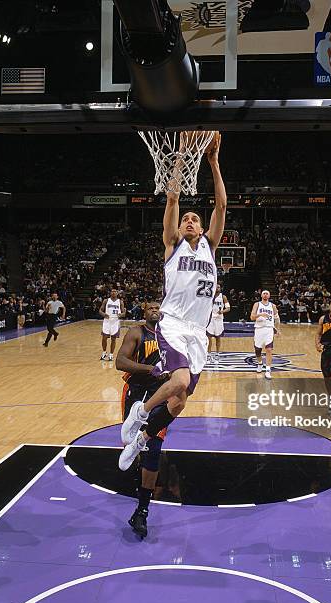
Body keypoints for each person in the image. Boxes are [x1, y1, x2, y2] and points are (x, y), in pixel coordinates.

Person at [119, 131, 226, 470]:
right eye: (186, 219)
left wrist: (213, 161)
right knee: (177, 382)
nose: (190, 221)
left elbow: (221, 205)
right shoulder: (173, 246)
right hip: (174, 323)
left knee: (179, 401)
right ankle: (141, 412)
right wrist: (180, 155)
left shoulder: (210, 246)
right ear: (179, 229)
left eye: (195, 219)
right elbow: (172, 198)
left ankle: (143, 437)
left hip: (198, 332)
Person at [116, 302, 171, 538]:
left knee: (153, 449)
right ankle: (137, 462)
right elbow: (120, 362)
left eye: (159, 307)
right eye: (151, 307)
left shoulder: (170, 335)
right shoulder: (137, 332)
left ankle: (142, 510)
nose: (155, 310)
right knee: (131, 444)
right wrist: (151, 370)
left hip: (159, 396)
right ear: (144, 312)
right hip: (135, 394)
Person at [251, 290, 279, 380]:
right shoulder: (257, 304)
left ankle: (268, 370)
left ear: (269, 295)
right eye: (264, 293)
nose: (265, 295)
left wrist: (277, 328)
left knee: (269, 349)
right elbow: (252, 317)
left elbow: (277, 318)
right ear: (261, 295)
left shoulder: (273, 306)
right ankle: (260, 363)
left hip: (269, 329)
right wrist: (260, 314)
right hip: (259, 329)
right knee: (257, 350)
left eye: (267, 293)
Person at [99, 289, 126, 361]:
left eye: (115, 291)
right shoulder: (106, 300)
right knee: (104, 337)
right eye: (112, 291)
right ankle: (104, 352)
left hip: (115, 321)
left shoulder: (120, 302)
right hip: (107, 321)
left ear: (117, 293)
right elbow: (100, 310)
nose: (113, 292)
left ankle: (111, 354)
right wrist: (104, 314)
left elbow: (124, 313)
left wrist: (121, 314)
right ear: (110, 293)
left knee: (113, 339)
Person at [206, 284, 230, 362]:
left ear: (220, 288)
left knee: (218, 338)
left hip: (219, 319)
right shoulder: (209, 296)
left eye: (218, 287)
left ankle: (217, 354)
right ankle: (208, 354)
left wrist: (222, 311)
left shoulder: (223, 297)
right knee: (208, 338)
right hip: (211, 318)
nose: (217, 288)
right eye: (216, 287)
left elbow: (228, 308)